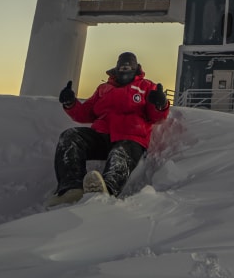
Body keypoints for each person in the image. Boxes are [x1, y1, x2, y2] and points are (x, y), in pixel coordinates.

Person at [47, 51, 170, 206]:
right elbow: (85, 113)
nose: (125, 69)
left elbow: (156, 117)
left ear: (136, 67)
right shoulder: (104, 89)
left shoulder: (146, 87)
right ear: (117, 67)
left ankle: (106, 190)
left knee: (120, 154)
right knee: (70, 137)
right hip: (102, 136)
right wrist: (70, 103)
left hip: (131, 138)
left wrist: (160, 104)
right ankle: (71, 188)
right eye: (122, 66)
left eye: (129, 66)